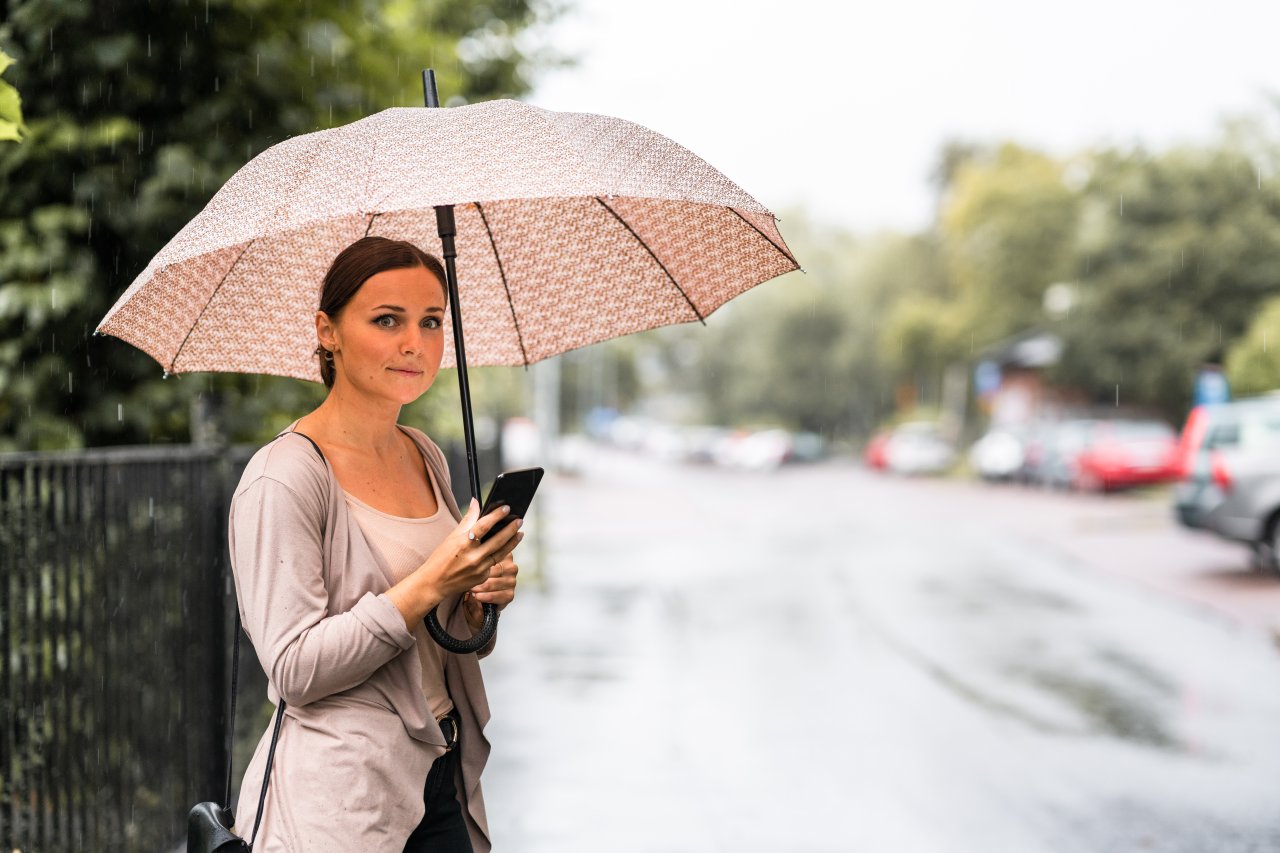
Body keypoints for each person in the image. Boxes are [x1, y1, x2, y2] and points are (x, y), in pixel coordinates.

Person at [228, 236, 522, 852]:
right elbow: (295, 669)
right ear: (327, 331)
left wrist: (476, 603)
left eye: (431, 321)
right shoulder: (285, 476)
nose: (415, 343)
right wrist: (431, 583)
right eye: (387, 320)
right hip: (342, 801)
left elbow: (447, 644)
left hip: (441, 772)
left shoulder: (424, 453)